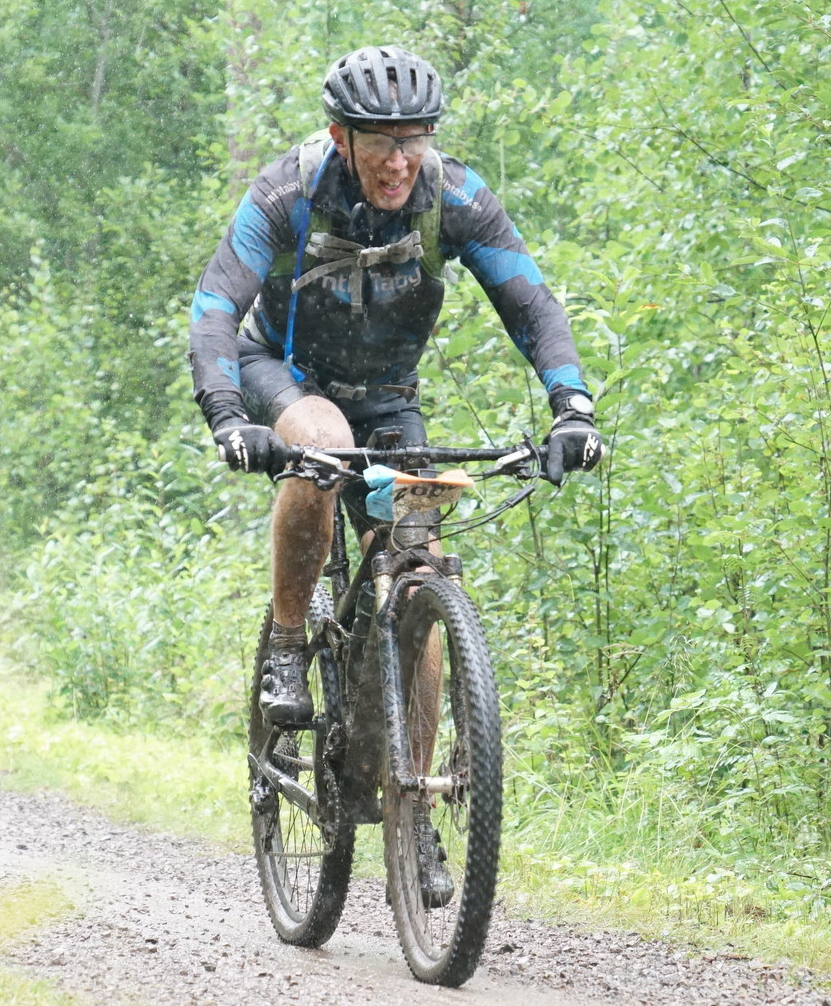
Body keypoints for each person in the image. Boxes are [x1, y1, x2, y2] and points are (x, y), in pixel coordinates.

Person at [188, 44, 603, 734]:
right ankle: (287, 645)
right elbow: (214, 308)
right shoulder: (286, 193)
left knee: (421, 577)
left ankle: (418, 794)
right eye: (381, 143)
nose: (398, 162)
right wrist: (229, 417)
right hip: (285, 371)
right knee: (322, 442)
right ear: (340, 137)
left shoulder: (456, 197)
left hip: (387, 395)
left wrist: (573, 409)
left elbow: (532, 307)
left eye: (414, 140)